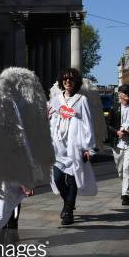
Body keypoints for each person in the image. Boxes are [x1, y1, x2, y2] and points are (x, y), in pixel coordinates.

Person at [48, 68, 97, 225]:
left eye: (71, 79)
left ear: (76, 82)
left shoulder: (81, 100)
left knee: (73, 179)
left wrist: (89, 148)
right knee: (57, 179)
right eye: (65, 79)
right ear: (62, 82)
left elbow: (87, 123)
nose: (68, 82)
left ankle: (68, 211)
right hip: (58, 147)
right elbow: (49, 121)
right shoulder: (55, 100)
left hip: (74, 146)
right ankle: (68, 202)